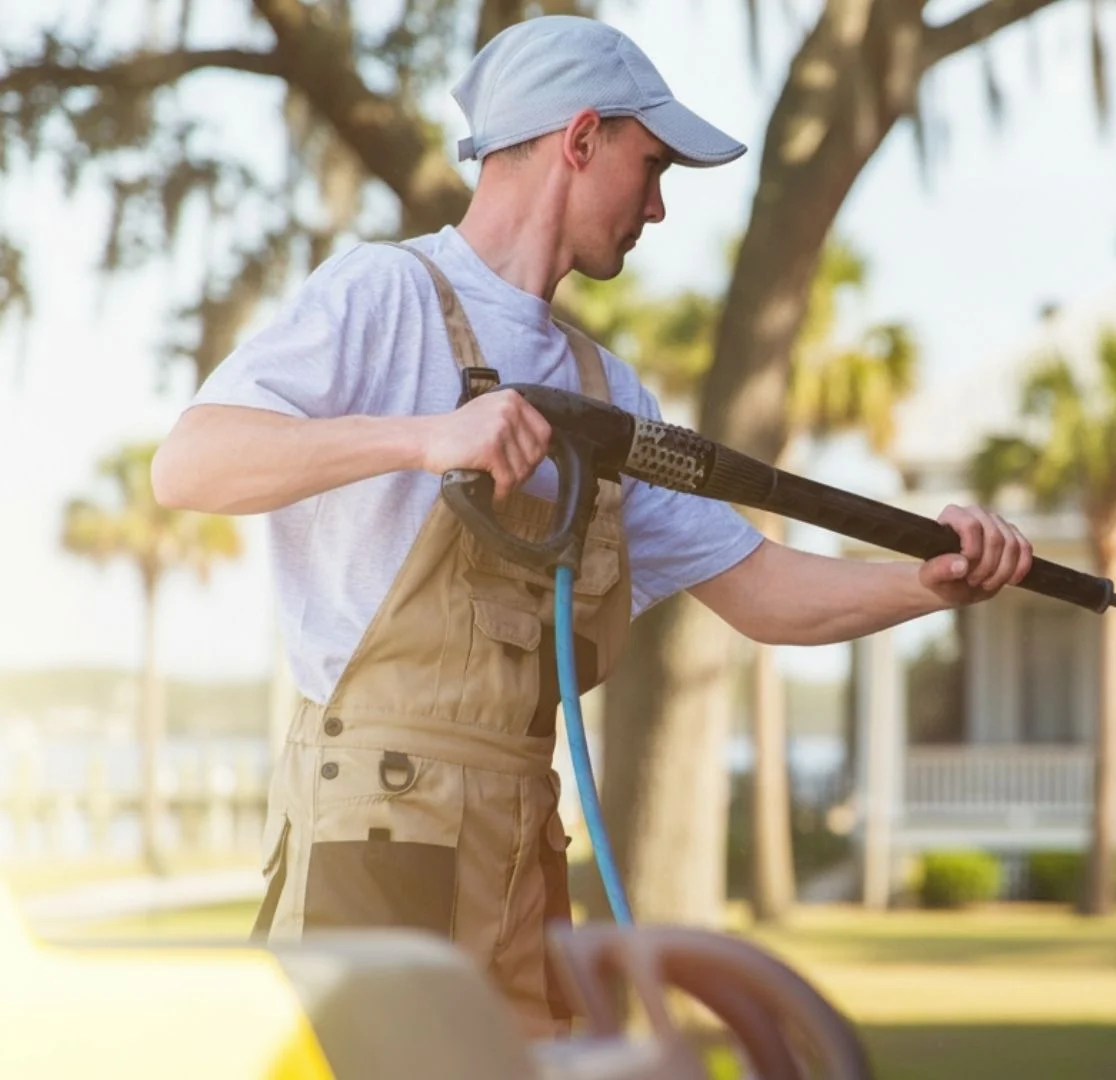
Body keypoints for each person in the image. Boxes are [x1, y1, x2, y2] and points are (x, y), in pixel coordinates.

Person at [150, 14, 1032, 1039]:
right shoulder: (384, 294)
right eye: (649, 166)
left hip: (523, 845)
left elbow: (759, 590)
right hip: (381, 827)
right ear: (579, 139)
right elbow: (191, 461)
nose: (659, 207)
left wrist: (925, 585)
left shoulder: (605, 392)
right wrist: (428, 437)